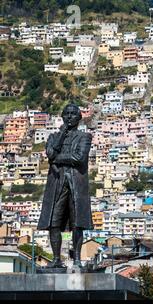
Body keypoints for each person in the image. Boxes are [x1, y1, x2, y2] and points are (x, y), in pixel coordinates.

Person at [38, 104, 93, 268]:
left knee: (78, 222)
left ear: (79, 117)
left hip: (76, 183)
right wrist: (62, 134)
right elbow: (50, 153)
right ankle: (56, 259)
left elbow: (79, 158)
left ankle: (77, 259)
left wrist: (56, 159)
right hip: (57, 183)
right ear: (62, 117)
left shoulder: (85, 137)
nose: (69, 117)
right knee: (54, 221)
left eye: (73, 114)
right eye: (66, 114)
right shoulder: (54, 137)